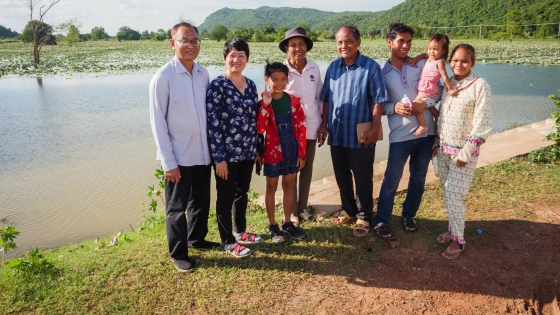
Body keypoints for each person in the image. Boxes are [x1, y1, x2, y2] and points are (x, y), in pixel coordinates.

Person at [149, 21, 219, 272]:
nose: (191, 45)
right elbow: (157, 123)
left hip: (202, 153)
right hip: (178, 156)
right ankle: (178, 253)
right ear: (173, 44)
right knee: (176, 208)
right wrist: (168, 161)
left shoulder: (203, 73)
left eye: (195, 41)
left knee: (200, 202)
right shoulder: (163, 77)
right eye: (185, 41)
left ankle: (196, 239)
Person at [317, 25, 388, 237]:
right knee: (341, 175)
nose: (343, 45)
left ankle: (364, 215)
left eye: (348, 41)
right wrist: (323, 124)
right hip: (337, 131)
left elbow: (378, 101)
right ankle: (348, 209)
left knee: (363, 175)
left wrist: (375, 128)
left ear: (358, 42)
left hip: (361, 133)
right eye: (339, 42)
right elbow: (327, 99)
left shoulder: (370, 67)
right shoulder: (333, 68)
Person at [374, 23, 441, 240]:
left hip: (426, 133)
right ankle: (382, 219)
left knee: (418, 178)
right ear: (389, 42)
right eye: (401, 40)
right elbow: (377, 104)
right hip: (400, 136)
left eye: (409, 41)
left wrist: (425, 103)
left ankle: (409, 215)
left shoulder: (421, 64)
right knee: (391, 178)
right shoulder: (381, 73)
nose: (405, 45)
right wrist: (393, 107)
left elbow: (438, 92)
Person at [434, 44, 492, 259]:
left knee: (454, 195)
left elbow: (483, 122)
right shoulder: (448, 85)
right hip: (443, 149)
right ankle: (452, 229)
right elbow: (442, 116)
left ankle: (459, 240)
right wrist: (436, 144)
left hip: (462, 154)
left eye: (464, 61)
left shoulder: (479, 85)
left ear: (472, 63)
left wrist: (467, 151)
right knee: (447, 193)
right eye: (455, 60)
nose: (459, 65)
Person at [206, 38, 262, 258]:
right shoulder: (217, 86)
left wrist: (258, 150)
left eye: (241, 55)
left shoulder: (251, 85)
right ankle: (228, 241)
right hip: (226, 155)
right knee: (225, 197)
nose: (236, 59)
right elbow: (213, 124)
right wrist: (218, 158)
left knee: (242, 193)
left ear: (247, 59)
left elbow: (255, 120)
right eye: (232, 55)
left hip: (248, 152)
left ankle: (241, 232)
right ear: (224, 58)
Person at [278, 27, 323, 226]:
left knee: (307, 168)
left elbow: (320, 99)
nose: (298, 48)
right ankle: (292, 210)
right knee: (290, 171)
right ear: (287, 49)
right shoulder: (280, 71)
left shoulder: (314, 68)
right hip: (289, 131)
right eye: (293, 45)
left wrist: (323, 125)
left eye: (301, 44)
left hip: (312, 126)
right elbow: (272, 100)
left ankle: (302, 207)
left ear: (306, 47)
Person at [257, 62, 307, 243]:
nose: (279, 83)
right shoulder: (263, 103)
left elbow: (301, 128)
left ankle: (287, 222)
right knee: (271, 188)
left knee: (288, 186)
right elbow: (259, 128)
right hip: (271, 150)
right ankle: (272, 225)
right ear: (266, 80)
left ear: (287, 80)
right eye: (275, 79)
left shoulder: (294, 101)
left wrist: (302, 153)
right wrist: (265, 105)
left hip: (291, 149)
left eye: (283, 79)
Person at [406, 33, 456, 136]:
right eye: (429, 48)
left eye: (435, 49)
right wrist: (415, 59)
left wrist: (450, 89)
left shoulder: (439, 63)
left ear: (443, 51)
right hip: (424, 87)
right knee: (431, 107)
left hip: (429, 88)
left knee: (416, 104)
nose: (431, 52)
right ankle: (440, 121)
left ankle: (423, 125)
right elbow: (424, 55)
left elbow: (445, 76)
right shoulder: (429, 58)